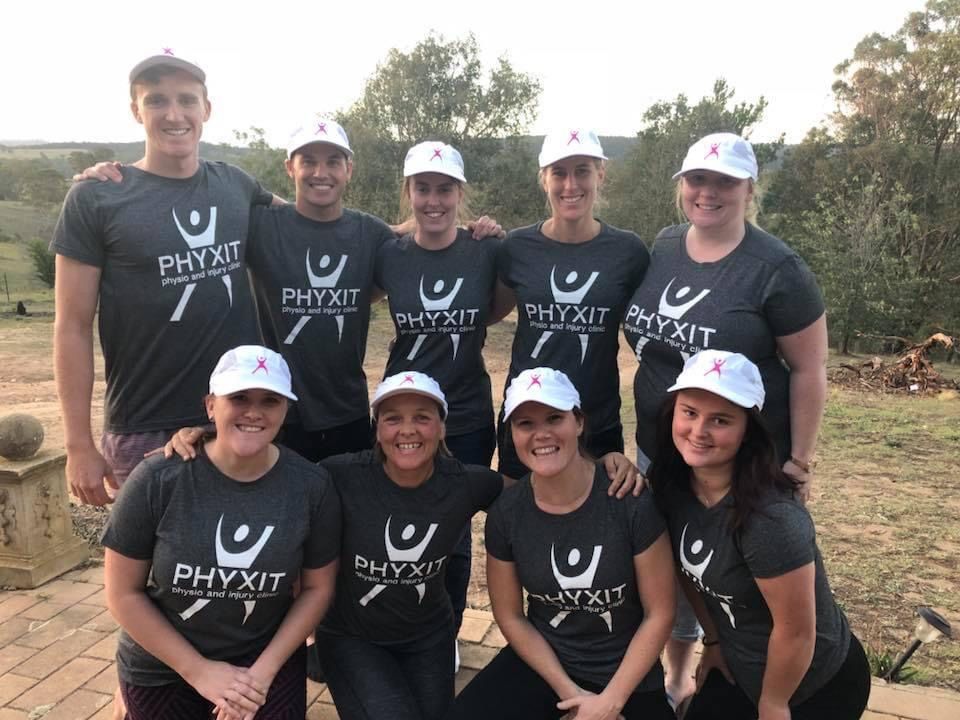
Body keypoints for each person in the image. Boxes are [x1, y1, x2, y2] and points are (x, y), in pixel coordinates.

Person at [163, 371, 640, 720]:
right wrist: (208, 436)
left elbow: (541, 486)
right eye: (393, 418)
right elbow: (269, 463)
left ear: (442, 427)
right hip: (352, 637)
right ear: (377, 428)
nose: (407, 430)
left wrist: (604, 464)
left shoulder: (467, 483)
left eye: (422, 417)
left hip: (428, 637)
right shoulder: (339, 475)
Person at [622, 132, 828, 706]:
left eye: (725, 182)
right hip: (662, 445)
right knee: (671, 562)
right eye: (698, 179)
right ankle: (677, 673)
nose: (708, 192)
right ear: (681, 185)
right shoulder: (665, 245)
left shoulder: (776, 268)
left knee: (725, 568)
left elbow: (809, 368)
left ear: (748, 190)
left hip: (734, 457)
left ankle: (754, 675)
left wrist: (800, 460)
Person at [51, 49, 276, 507]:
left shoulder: (235, 185)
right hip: (144, 428)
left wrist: (408, 230)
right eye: (156, 100)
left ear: (206, 109)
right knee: (149, 553)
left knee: (247, 550)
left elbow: (314, 224)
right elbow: (71, 326)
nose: (174, 114)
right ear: (136, 110)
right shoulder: (97, 198)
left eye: (186, 100)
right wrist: (78, 445)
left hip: (239, 416)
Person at [101, 345, 341, 720]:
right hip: (165, 662)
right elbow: (122, 593)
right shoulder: (158, 479)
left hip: (261, 656)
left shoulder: (311, 487)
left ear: (285, 410)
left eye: (270, 400)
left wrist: (261, 675)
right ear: (211, 405)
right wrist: (200, 672)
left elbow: (316, 589)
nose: (254, 411)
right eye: (239, 397)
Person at [649, 350, 870, 720]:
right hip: (740, 667)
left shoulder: (771, 519)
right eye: (689, 412)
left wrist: (773, 704)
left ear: (747, 430)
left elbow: (797, 632)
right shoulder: (673, 488)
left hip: (811, 684)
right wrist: (714, 639)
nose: (698, 431)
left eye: (720, 420)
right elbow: (689, 574)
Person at [450, 367, 676, 720]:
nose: (541, 434)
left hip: (627, 674)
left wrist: (609, 703)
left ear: (579, 422)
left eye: (554, 418)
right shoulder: (508, 512)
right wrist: (571, 694)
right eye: (525, 423)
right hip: (545, 663)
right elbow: (510, 616)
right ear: (512, 434)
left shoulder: (628, 499)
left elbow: (659, 613)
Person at [375, 141, 514, 636]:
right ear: (409, 192)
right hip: (402, 413)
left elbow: (494, 310)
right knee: (399, 518)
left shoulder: (486, 250)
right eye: (423, 189)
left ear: (460, 193)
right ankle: (398, 622)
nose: (433, 200)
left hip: (467, 413)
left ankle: (445, 631)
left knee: (454, 527)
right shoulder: (388, 253)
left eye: (444, 189)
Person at [497, 128, 650, 479]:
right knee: (515, 509)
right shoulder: (515, 248)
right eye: (559, 173)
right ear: (544, 179)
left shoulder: (629, 252)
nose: (570, 185)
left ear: (600, 175)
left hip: (597, 421)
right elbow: (488, 311)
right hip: (526, 416)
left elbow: (647, 328)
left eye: (582, 171)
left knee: (598, 513)